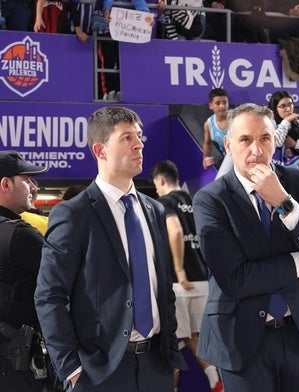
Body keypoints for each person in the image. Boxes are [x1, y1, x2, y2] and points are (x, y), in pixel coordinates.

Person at [35, 107, 186, 391]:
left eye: (139, 136)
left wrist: (169, 353)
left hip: (156, 365)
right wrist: (71, 368)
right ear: (100, 150)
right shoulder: (74, 214)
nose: (139, 143)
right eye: (127, 137)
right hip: (100, 371)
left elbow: (161, 286)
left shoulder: (154, 209)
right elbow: (49, 295)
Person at [192, 103, 299, 391]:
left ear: (275, 141)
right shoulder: (210, 199)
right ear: (229, 145)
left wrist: (285, 203)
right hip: (241, 340)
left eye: (265, 139)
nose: (256, 150)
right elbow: (235, 279)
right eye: (245, 140)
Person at [149, 160, 223, 392]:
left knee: (169, 344)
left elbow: (176, 230)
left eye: (156, 185)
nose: (157, 190)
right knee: (194, 337)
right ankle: (216, 381)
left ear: (160, 180)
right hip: (203, 280)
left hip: (180, 285)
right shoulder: (195, 201)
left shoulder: (164, 203)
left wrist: (179, 270)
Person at [0, 151, 48, 392]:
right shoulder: (20, 235)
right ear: (5, 184)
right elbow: (70, 281)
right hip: (16, 365)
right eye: (27, 179)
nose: (33, 186)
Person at [267, 90, 299, 168]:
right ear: (275, 108)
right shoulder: (270, 123)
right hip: (277, 167)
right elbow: (276, 143)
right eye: (283, 106)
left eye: (290, 104)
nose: (288, 109)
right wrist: (286, 121)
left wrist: (296, 144)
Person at [202, 88, 229, 170]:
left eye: (225, 102)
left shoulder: (237, 118)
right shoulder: (209, 124)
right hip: (226, 159)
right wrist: (205, 158)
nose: (222, 106)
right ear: (211, 106)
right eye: (218, 103)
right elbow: (207, 143)